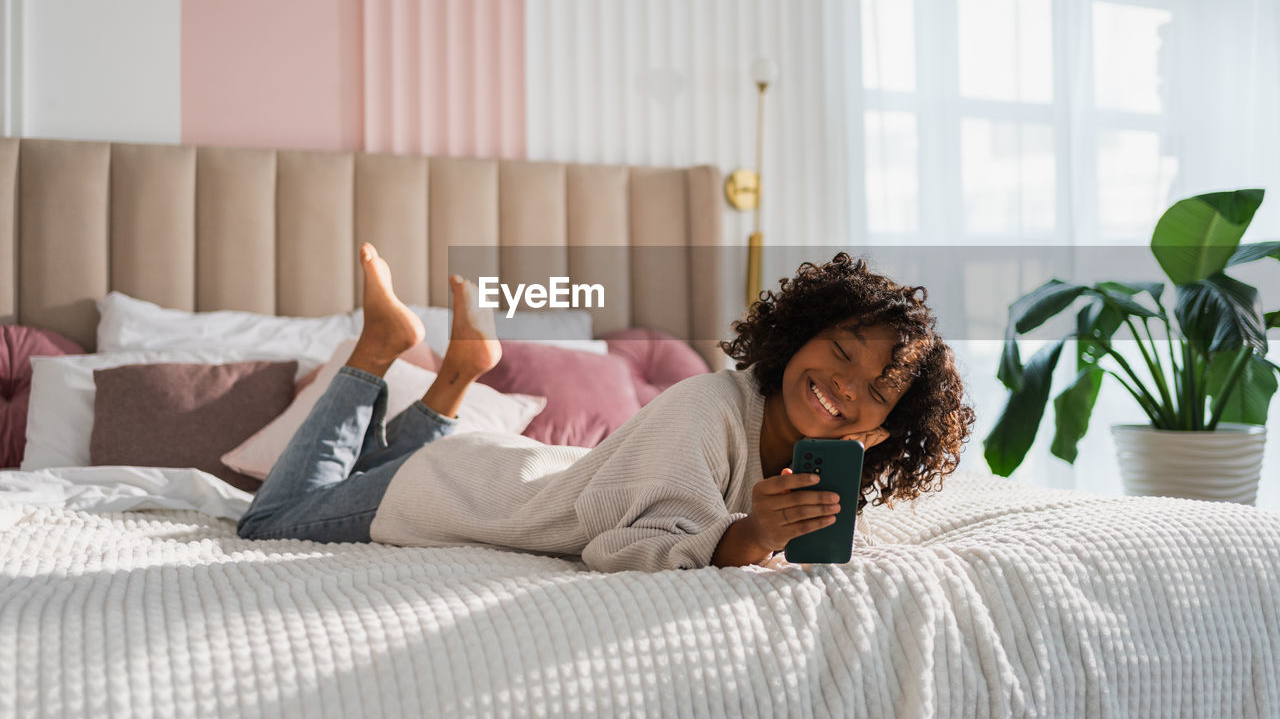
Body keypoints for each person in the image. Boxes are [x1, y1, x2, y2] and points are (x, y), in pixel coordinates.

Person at [237, 244, 973, 572]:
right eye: (840, 351)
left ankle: (458, 376)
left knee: (358, 468)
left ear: (881, 430)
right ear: (799, 333)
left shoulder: (813, 464)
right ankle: (379, 346)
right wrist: (747, 536)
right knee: (268, 520)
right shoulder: (709, 409)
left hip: (494, 464)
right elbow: (618, 548)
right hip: (450, 492)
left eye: (876, 391)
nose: (845, 386)